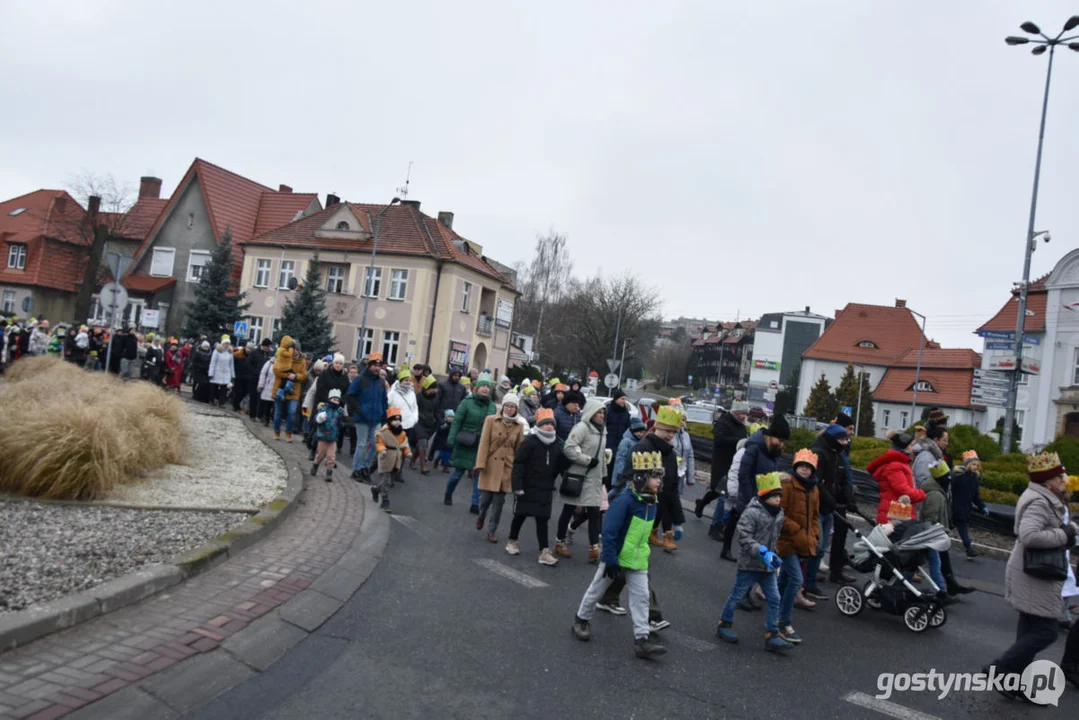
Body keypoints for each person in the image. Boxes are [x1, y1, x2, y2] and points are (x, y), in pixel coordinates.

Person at [987, 452, 1078, 697]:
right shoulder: (1040, 501)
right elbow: (1028, 536)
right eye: (1059, 476)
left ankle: (1014, 683)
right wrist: (1065, 535)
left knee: (1029, 628)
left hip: (1034, 570)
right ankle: (1002, 667)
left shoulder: (1046, 497)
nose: (1063, 479)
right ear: (1047, 481)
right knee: (1046, 631)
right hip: (1034, 572)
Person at [571, 450, 667, 659]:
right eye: (654, 476)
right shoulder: (625, 501)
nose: (658, 481)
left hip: (638, 559)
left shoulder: (651, 502)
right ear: (641, 477)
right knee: (596, 590)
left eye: (660, 476)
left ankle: (642, 640)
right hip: (616, 559)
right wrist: (611, 560)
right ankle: (581, 619)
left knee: (641, 598)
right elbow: (609, 531)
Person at [715, 471, 793, 652]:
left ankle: (772, 634)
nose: (778, 500)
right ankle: (724, 624)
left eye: (779, 496)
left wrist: (774, 553)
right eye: (774, 496)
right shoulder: (751, 513)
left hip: (767, 566)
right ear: (765, 496)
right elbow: (743, 536)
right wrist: (761, 551)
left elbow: (775, 536)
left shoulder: (779, 514)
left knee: (774, 598)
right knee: (737, 595)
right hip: (749, 565)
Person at [554, 398, 609, 562]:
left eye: (603, 412)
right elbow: (568, 449)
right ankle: (559, 542)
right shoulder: (582, 428)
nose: (601, 415)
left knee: (595, 512)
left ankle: (594, 549)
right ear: (591, 412)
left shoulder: (602, 430)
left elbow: (601, 455)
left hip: (594, 477)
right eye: (598, 412)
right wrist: (586, 460)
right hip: (578, 476)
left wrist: (604, 472)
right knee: (568, 510)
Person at [507, 408, 562, 565]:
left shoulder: (557, 442)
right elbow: (519, 464)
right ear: (539, 425)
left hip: (545, 488)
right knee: (520, 515)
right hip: (527, 486)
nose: (549, 427)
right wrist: (517, 485)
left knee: (542, 519)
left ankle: (544, 552)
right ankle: (512, 541)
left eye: (552, 424)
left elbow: (558, 464)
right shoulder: (530, 441)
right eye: (546, 424)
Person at [776, 451, 821, 642]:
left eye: (808, 466)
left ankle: (773, 614)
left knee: (784, 580)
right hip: (786, 540)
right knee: (795, 580)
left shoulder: (814, 489)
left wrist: (814, 534)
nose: (804, 469)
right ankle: (783, 623)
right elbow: (779, 512)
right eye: (801, 465)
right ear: (795, 466)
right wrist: (797, 529)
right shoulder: (787, 484)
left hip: (802, 540)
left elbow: (814, 517)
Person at [630, 405, 684, 553]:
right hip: (638, 508)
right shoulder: (643, 447)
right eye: (667, 430)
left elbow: (673, 488)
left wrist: (677, 519)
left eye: (674, 431)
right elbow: (628, 478)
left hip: (655, 508)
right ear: (657, 428)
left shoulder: (671, 455)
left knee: (641, 556)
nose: (671, 435)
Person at [474, 393, 525, 543]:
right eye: (507, 406)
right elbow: (484, 443)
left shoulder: (519, 425)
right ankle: (481, 515)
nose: (509, 409)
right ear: (502, 406)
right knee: (485, 500)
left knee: (498, 503)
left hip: (506, 468)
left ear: (516, 408)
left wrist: (518, 470)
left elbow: (519, 448)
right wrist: (480, 463)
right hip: (490, 465)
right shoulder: (491, 420)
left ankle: (492, 530)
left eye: (513, 406)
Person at [445, 373, 497, 510]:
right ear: (477, 388)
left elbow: (493, 427)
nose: (485, 389)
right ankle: (448, 493)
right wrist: (451, 439)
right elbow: (457, 422)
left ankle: (475, 503)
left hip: (481, 445)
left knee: (478, 476)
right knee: (457, 474)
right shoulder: (466, 402)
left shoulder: (492, 406)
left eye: (488, 387)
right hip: (465, 442)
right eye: (483, 386)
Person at [812, 423, 855, 586]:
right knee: (817, 545)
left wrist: (848, 496)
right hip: (822, 505)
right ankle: (808, 580)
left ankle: (834, 570)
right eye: (843, 439)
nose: (846, 442)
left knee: (832, 540)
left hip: (834, 503)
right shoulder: (820, 453)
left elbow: (843, 477)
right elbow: (818, 481)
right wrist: (830, 500)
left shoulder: (838, 454)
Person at [697, 408, 748, 531]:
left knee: (717, 491)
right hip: (722, 462)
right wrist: (739, 442)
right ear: (735, 413)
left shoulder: (742, 427)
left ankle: (702, 503)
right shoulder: (724, 422)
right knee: (723, 493)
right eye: (741, 413)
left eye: (745, 414)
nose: (743, 416)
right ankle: (716, 525)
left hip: (735, 463)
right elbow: (719, 439)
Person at [347, 353, 388, 481]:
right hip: (362, 418)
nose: (377, 368)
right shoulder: (360, 379)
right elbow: (351, 396)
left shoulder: (381, 382)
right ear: (369, 365)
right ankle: (357, 469)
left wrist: (384, 414)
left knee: (375, 445)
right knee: (362, 445)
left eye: (379, 366)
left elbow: (384, 400)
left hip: (376, 418)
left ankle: (366, 467)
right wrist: (359, 410)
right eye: (375, 365)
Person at [371, 406, 411, 513]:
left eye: (399, 420)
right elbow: (379, 443)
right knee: (386, 480)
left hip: (397, 458)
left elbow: (405, 444)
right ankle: (385, 501)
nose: (397, 422)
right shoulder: (383, 432)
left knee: (390, 479)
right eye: (394, 420)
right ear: (389, 420)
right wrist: (382, 450)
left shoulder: (402, 433)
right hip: (386, 457)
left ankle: (376, 489)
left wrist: (407, 452)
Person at [951, 451, 990, 559]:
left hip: (964, 510)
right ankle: (969, 549)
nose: (975, 467)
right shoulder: (957, 477)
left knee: (959, 530)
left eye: (977, 465)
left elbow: (975, 497)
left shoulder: (974, 479)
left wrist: (982, 506)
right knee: (958, 530)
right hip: (954, 508)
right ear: (967, 464)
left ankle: (969, 549)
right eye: (973, 464)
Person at [272, 336, 307, 442]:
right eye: (292, 348)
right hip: (280, 389)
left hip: (294, 390)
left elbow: (304, 375)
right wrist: (287, 375)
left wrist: (295, 376)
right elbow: (276, 371)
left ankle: (288, 432)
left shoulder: (301, 361)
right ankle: (276, 431)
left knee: (292, 413)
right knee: (278, 413)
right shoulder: (282, 357)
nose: (294, 350)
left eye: (296, 349)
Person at [311, 389, 345, 482]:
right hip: (323, 436)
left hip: (333, 438)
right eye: (334, 399)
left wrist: (341, 423)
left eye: (337, 400)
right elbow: (317, 420)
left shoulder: (339, 411)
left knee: (331, 456)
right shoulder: (324, 409)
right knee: (320, 455)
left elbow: (341, 423)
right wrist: (320, 418)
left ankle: (329, 472)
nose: (336, 402)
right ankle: (316, 464)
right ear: (329, 399)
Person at [387, 368, 419, 458]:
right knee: (392, 447)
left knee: (403, 448)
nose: (408, 382)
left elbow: (415, 408)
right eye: (405, 380)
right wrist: (391, 420)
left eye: (409, 380)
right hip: (395, 425)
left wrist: (414, 419)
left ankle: (398, 469)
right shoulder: (393, 393)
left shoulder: (412, 393)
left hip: (409, 425)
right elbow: (387, 406)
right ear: (400, 381)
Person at [413, 375, 439, 474]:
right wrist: (420, 416)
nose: (434, 391)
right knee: (423, 443)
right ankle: (423, 466)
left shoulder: (435, 398)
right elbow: (414, 409)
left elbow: (436, 410)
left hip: (430, 424)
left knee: (421, 444)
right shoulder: (419, 396)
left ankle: (413, 461)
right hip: (419, 423)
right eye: (432, 388)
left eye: (435, 388)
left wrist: (437, 420)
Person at [604, 390, 633, 478]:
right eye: (622, 399)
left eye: (625, 399)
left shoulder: (626, 412)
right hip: (608, 443)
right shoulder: (608, 411)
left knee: (616, 467)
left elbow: (628, 427)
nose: (624, 401)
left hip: (620, 443)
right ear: (616, 399)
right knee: (606, 466)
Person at [611, 419, 647, 486]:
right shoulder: (626, 441)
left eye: (643, 432)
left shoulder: (640, 442)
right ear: (633, 431)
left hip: (632, 474)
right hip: (623, 473)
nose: (641, 434)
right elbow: (620, 458)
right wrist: (620, 472)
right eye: (639, 432)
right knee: (618, 491)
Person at [912, 425, 948, 489]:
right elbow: (923, 482)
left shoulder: (933, 455)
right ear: (936, 440)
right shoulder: (926, 456)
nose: (947, 443)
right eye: (944, 440)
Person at [207, 336, 235, 406]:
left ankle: (221, 403)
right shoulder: (217, 351)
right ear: (223, 343)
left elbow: (231, 364)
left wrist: (233, 375)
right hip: (217, 371)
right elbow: (213, 362)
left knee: (224, 389)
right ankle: (211, 400)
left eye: (228, 343)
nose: (227, 345)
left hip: (226, 373)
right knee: (214, 387)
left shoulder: (230, 352)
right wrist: (211, 373)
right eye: (226, 343)